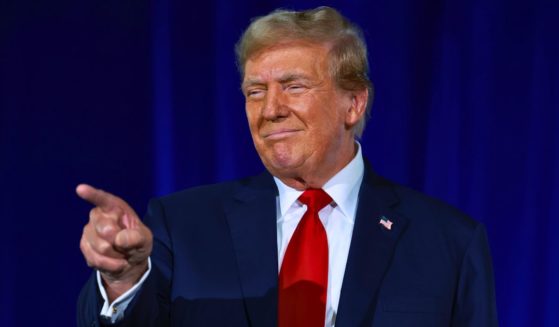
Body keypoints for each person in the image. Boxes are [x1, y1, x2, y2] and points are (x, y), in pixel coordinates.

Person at [76, 6, 498, 327]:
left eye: (293, 86)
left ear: (354, 103)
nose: (270, 110)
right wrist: (124, 281)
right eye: (255, 91)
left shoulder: (450, 243)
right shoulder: (182, 226)